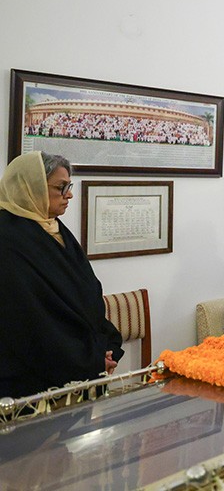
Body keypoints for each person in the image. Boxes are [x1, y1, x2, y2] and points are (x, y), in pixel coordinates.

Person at [0, 151, 123, 399]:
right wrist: (90, 360)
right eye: (61, 187)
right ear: (30, 187)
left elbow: (87, 293)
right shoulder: (7, 237)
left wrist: (105, 346)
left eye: (69, 186)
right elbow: (31, 318)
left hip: (81, 362)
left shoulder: (53, 225)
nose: (69, 195)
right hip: (33, 380)